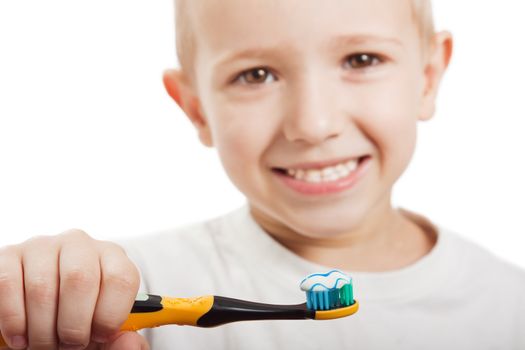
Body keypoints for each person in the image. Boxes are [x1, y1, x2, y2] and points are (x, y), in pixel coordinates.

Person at [1, 0, 524, 349]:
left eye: (361, 59)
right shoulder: (121, 294)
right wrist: (35, 293)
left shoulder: (512, 308)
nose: (313, 125)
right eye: (256, 75)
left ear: (429, 78)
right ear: (196, 109)